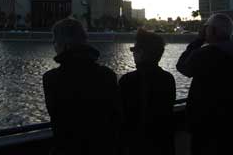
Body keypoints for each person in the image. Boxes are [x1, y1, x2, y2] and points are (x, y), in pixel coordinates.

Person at [176, 13, 233, 155]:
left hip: (205, 122)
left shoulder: (204, 54)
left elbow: (182, 67)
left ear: (212, 31)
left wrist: (198, 41)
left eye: (206, 28)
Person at [42, 17, 122, 155]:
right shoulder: (107, 75)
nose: (53, 44)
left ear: (63, 44)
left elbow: (58, 119)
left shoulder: (51, 78)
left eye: (54, 40)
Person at [119, 29, 176, 155]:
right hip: (163, 144)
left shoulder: (127, 80)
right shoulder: (168, 78)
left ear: (142, 53)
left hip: (136, 145)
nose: (133, 54)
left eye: (134, 50)